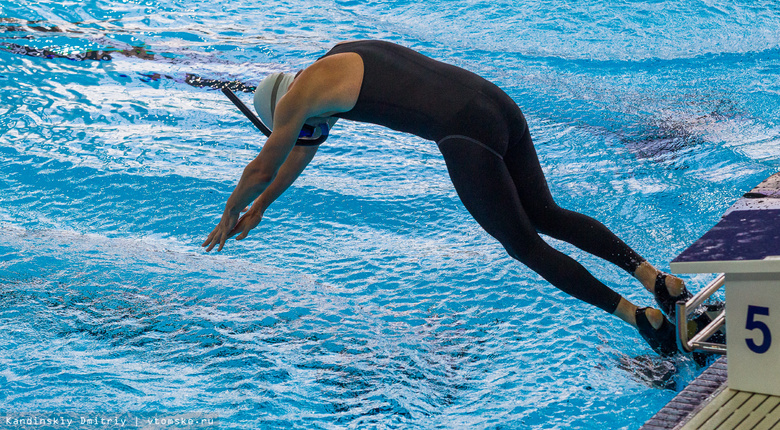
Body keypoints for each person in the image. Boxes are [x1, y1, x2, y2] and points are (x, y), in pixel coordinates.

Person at [202, 40, 694, 355]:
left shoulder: (295, 101)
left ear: (281, 108)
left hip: (465, 134)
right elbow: (297, 158)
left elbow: (267, 163)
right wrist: (261, 208)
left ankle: (642, 319)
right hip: (497, 103)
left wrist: (230, 213)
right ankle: (658, 281)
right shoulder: (336, 61)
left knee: (523, 243)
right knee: (547, 214)